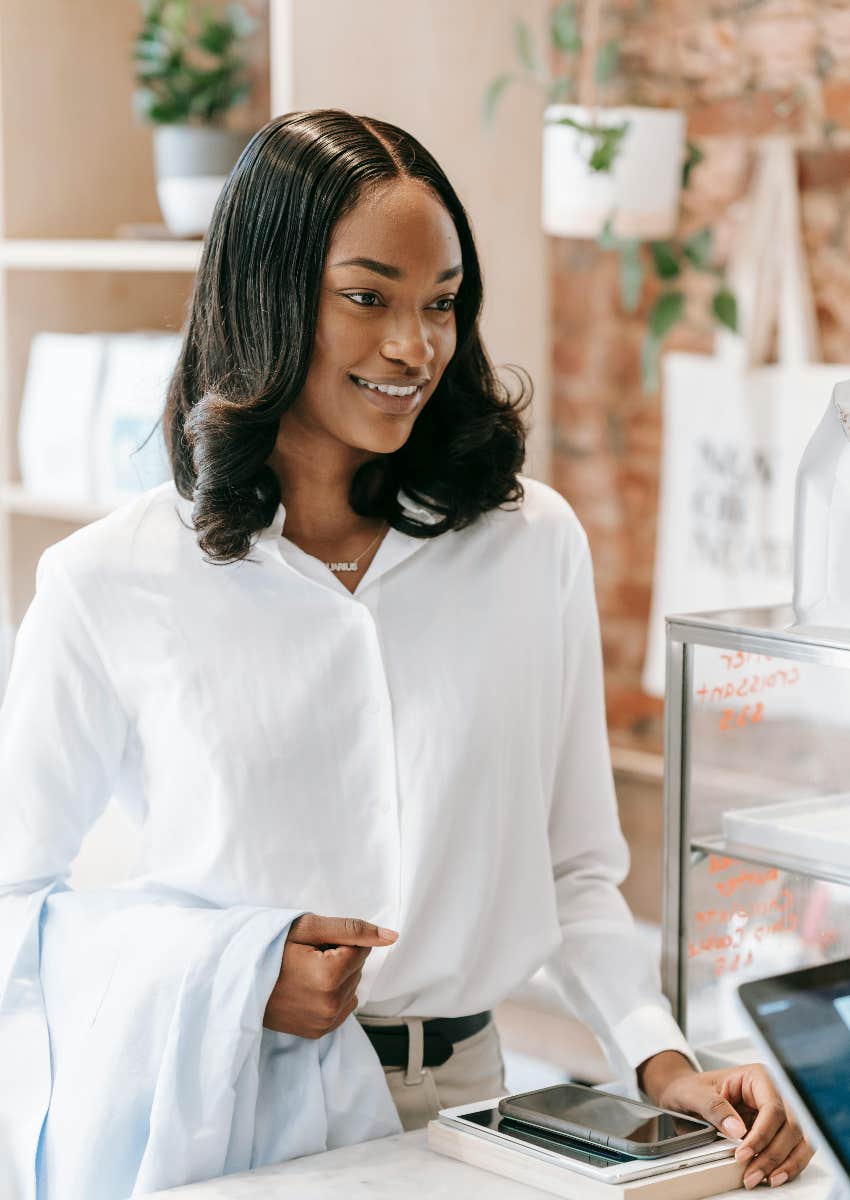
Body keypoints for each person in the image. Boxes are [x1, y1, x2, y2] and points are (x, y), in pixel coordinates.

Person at [1, 109, 812, 1192]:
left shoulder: (530, 545)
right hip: (239, 1109)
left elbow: (574, 870)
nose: (413, 346)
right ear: (268, 292)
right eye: (366, 296)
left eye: (441, 303)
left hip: (484, 1107)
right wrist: (237, 976)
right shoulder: (111, 580)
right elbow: (16, 906)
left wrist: (664, 1061)